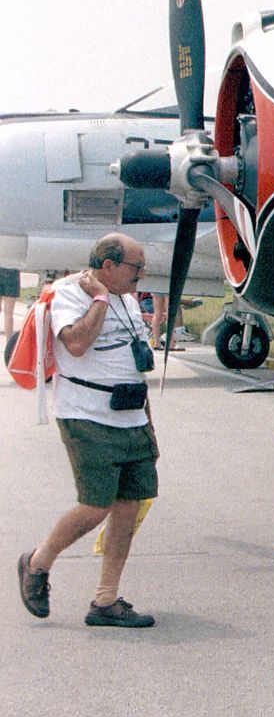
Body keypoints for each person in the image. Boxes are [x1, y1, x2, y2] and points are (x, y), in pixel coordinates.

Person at [16, 233, 160, 628]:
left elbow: (132, 360)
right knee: (96, 504)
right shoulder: (70, 293)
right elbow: (76, 344)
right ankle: (37, 562)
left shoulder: (129, 300)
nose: (141, 275)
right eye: (136, 267)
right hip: (88, 415)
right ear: (108, 265)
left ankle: (105, 601)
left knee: (128, 507)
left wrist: (148, 421)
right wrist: (98, 300)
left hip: (131, 415)